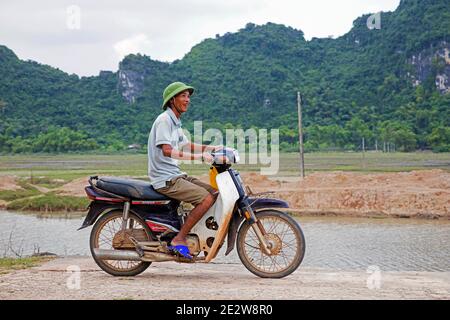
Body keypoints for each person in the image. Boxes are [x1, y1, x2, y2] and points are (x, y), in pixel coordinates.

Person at [147, 81, 222, 259]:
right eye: (183, 96)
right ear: (172, 100)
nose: (187, 100)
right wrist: (199, 158)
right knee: (205, 199)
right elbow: (166, 150)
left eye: (188, 96)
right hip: (165, 179)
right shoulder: (164, 120)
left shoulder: (175, 121)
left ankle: (197, 234)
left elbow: (186, 145)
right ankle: (179, 238)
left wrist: (212, 148)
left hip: (175, 174)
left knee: (215, 193)